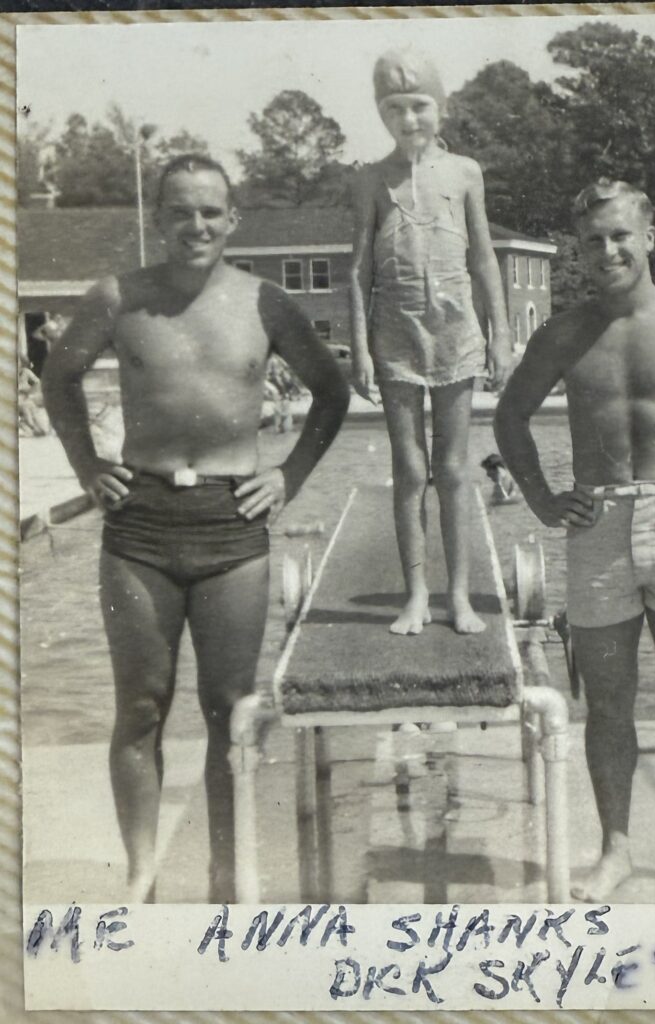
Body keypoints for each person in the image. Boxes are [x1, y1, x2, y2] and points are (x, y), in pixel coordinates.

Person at [42, 154, 349, 903]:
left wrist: (289, 474)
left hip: (230, 527)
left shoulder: (264, 302)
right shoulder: (119, 297)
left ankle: (224, 871)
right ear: (159, 216)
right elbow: (59, 376)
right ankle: (143, 871)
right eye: (180, 211)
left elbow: (330, 390)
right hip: (140, 523)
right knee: (141, 705)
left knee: (231, 710)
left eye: (210, 211)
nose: (196, 226)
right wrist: (87, 465)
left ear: (233, 219)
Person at [494, 178, 655, 902]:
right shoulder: (565, 333)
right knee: (605, 704)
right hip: (597, 524)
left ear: (648, 237)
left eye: (619, 236)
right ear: (579, 248)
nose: (607, 250)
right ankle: (616, 849)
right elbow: (509, 418)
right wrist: (544, 500)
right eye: (593, 240)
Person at [349, 49, 511, 635]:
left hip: (454, 332)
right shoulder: (371, 179)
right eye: (395, 109)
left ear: (440, 107)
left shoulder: (466, 172)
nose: (409, 119)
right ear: (381, 113)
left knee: (452, 466)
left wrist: (502, 335)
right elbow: (359, 270)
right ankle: (416, 594)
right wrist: (361, 348)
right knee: (410, 468)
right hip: (395, 335)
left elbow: (486, 259)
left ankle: (459, 597)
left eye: (419, 106)